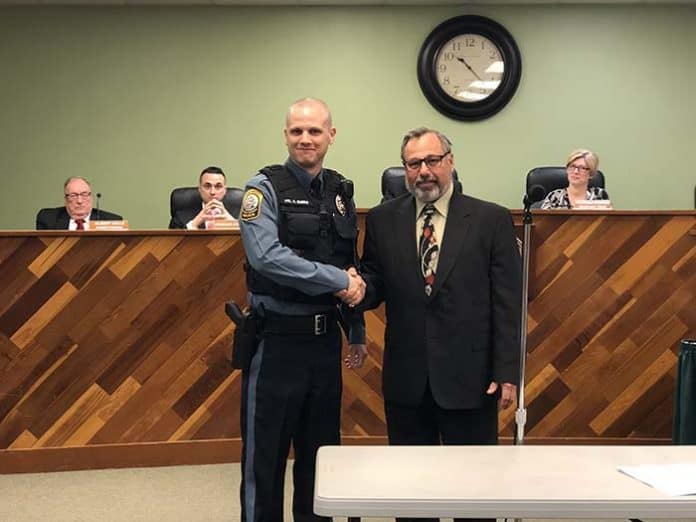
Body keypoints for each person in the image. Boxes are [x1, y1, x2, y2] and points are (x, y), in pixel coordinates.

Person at [356, 127, 521, 522]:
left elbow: (507, 302)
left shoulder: (490, 219)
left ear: (450, 161)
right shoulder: (381, 220)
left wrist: (507, 371)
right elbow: (375, 284)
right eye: (414, 164)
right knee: (413, 493)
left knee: (474, 493)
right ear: (404, 169)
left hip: (473, 378)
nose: (424, 171)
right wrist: (353, 288)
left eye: (432, 160)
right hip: (407, 378)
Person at [238, 97, 366, 522]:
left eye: (314, 131)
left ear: (332, 135)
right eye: (297, 131)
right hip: (275, 345)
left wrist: (357, 330)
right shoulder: (262, 189)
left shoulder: (341, 191)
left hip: (324, 345)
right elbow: (267, 257)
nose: (305, 139)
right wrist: (338, 282)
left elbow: (349, 262)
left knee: (321, 462)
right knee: (265, 463)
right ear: (286, 135)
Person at [36, 176, 122, 230]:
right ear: (66, 200)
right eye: (73, 195)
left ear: (91, 198)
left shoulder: (113, 221)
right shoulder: (48, 219)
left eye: (84, 195)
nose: (79, 201)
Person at [168, 166, 239, 229]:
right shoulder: (180, 217)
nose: (212, 192)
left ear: (224, 191)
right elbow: (172, 242)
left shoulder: (240, 217)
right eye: (207, 186)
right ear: (200, 189)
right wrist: (194, 223)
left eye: (218, 186)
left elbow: (248, 241)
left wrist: (232, 223)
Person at [540, 149, 609, 209]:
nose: (575, 172)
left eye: (582, 168)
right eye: (572, 166)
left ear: (591, 174)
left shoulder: (599, 196)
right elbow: (542, 223)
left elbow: (606, 222)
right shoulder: (554, 197)